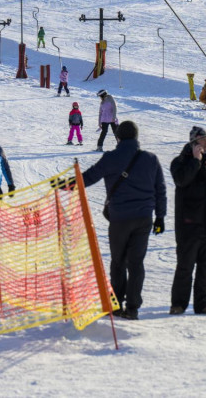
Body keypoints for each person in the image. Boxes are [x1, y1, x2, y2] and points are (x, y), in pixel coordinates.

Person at [79, 120, 166, 320]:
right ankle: (133, 308)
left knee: (118, 262)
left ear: (117, 137)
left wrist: (66, 183)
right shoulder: (150, 159)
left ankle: (116, 304)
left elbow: (89, 177)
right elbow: (160, 189)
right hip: (144, 218)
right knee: (136, 263)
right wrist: (160, 217)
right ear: (136, 137)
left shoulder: (111, 158)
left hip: (119, 219)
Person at [169, 126, 206, 315]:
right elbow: (181, 180)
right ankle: (178, 303)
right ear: (193, 143)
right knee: (185, 266)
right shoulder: (180, 162)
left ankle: (202, 302)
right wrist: (195, 163)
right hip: (188, 224)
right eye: (202, 140)